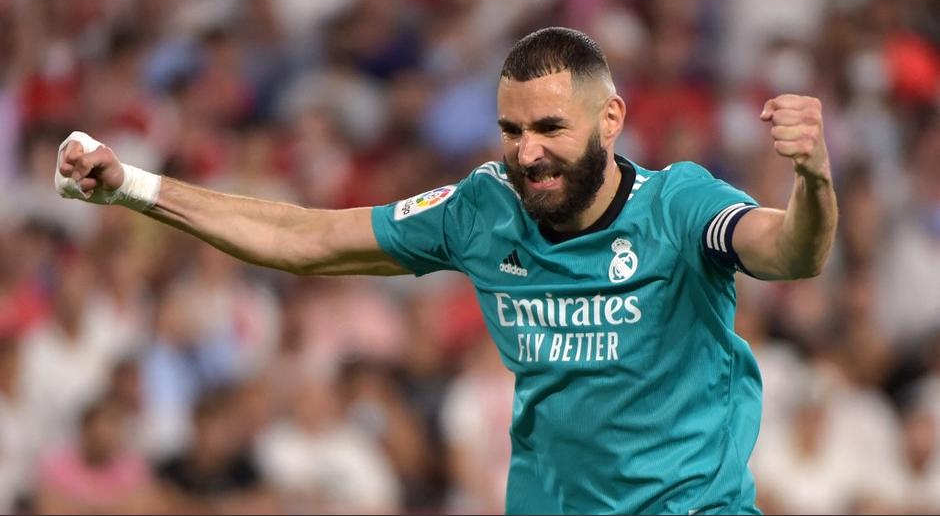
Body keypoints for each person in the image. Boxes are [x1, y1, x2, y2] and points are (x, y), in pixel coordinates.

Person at [55, 27, 838, 515]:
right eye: (511, 128)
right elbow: (306, 237)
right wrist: (137, 187)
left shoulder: (681, 204)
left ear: (611, 119)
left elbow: (794, 252)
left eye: (550, 128)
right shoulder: (481, 207)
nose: (527, 151)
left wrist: (812, 180)